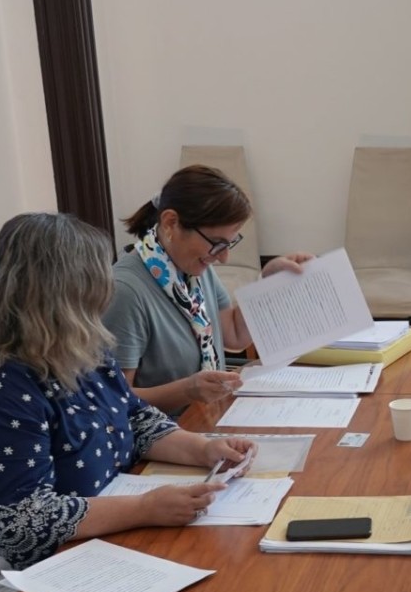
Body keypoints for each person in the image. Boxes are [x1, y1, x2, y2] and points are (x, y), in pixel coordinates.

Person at [0, 212, 262, 592]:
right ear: (65, 294)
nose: (107, 288)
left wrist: (203, 450)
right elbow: (22, 523)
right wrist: (146, 509)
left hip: (62, 552)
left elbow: (134, 418)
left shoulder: (77, 342)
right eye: (96, 277)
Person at [107, 165, 313, 414]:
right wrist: (186, 391)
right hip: (166, 436)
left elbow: (234, 335)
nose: (223, 258)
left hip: (209, 418)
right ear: (171, 222)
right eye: (216, 244)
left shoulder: (190, 267)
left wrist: (268, 284)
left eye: (229, 244)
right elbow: (113, 399)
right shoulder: (126, 291)